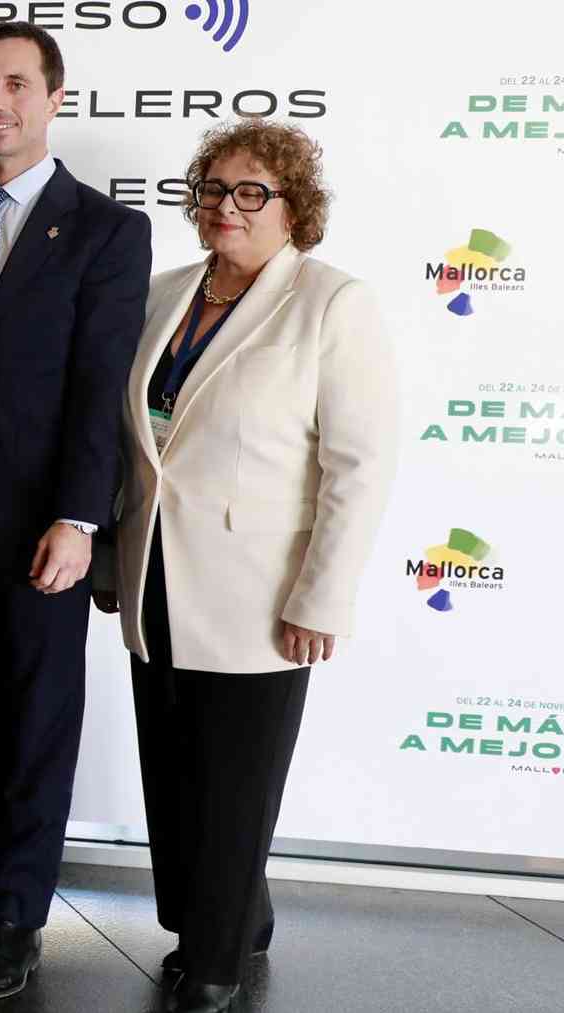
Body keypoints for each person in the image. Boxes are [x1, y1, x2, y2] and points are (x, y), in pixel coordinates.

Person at [95, 119, 397, 1013]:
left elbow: (358, 465)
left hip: (261, 592)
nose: (227, 207)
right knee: (175, 771)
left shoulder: (332, 303)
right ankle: (225, 916)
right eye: (214, 190)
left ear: (294, 207)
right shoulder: (164, 293)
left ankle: (217, 958)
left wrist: (324, 594)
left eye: (252, 191)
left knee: (236, 779)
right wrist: (114, 555)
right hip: (155, 576)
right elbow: (136, 447)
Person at [0, 21, 152, 1000]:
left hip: (46, 523)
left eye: (14, 84)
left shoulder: (105, 228)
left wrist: (80, 517)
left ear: (54, 97)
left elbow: (101, 387)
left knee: (40, 717)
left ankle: (21, 914)